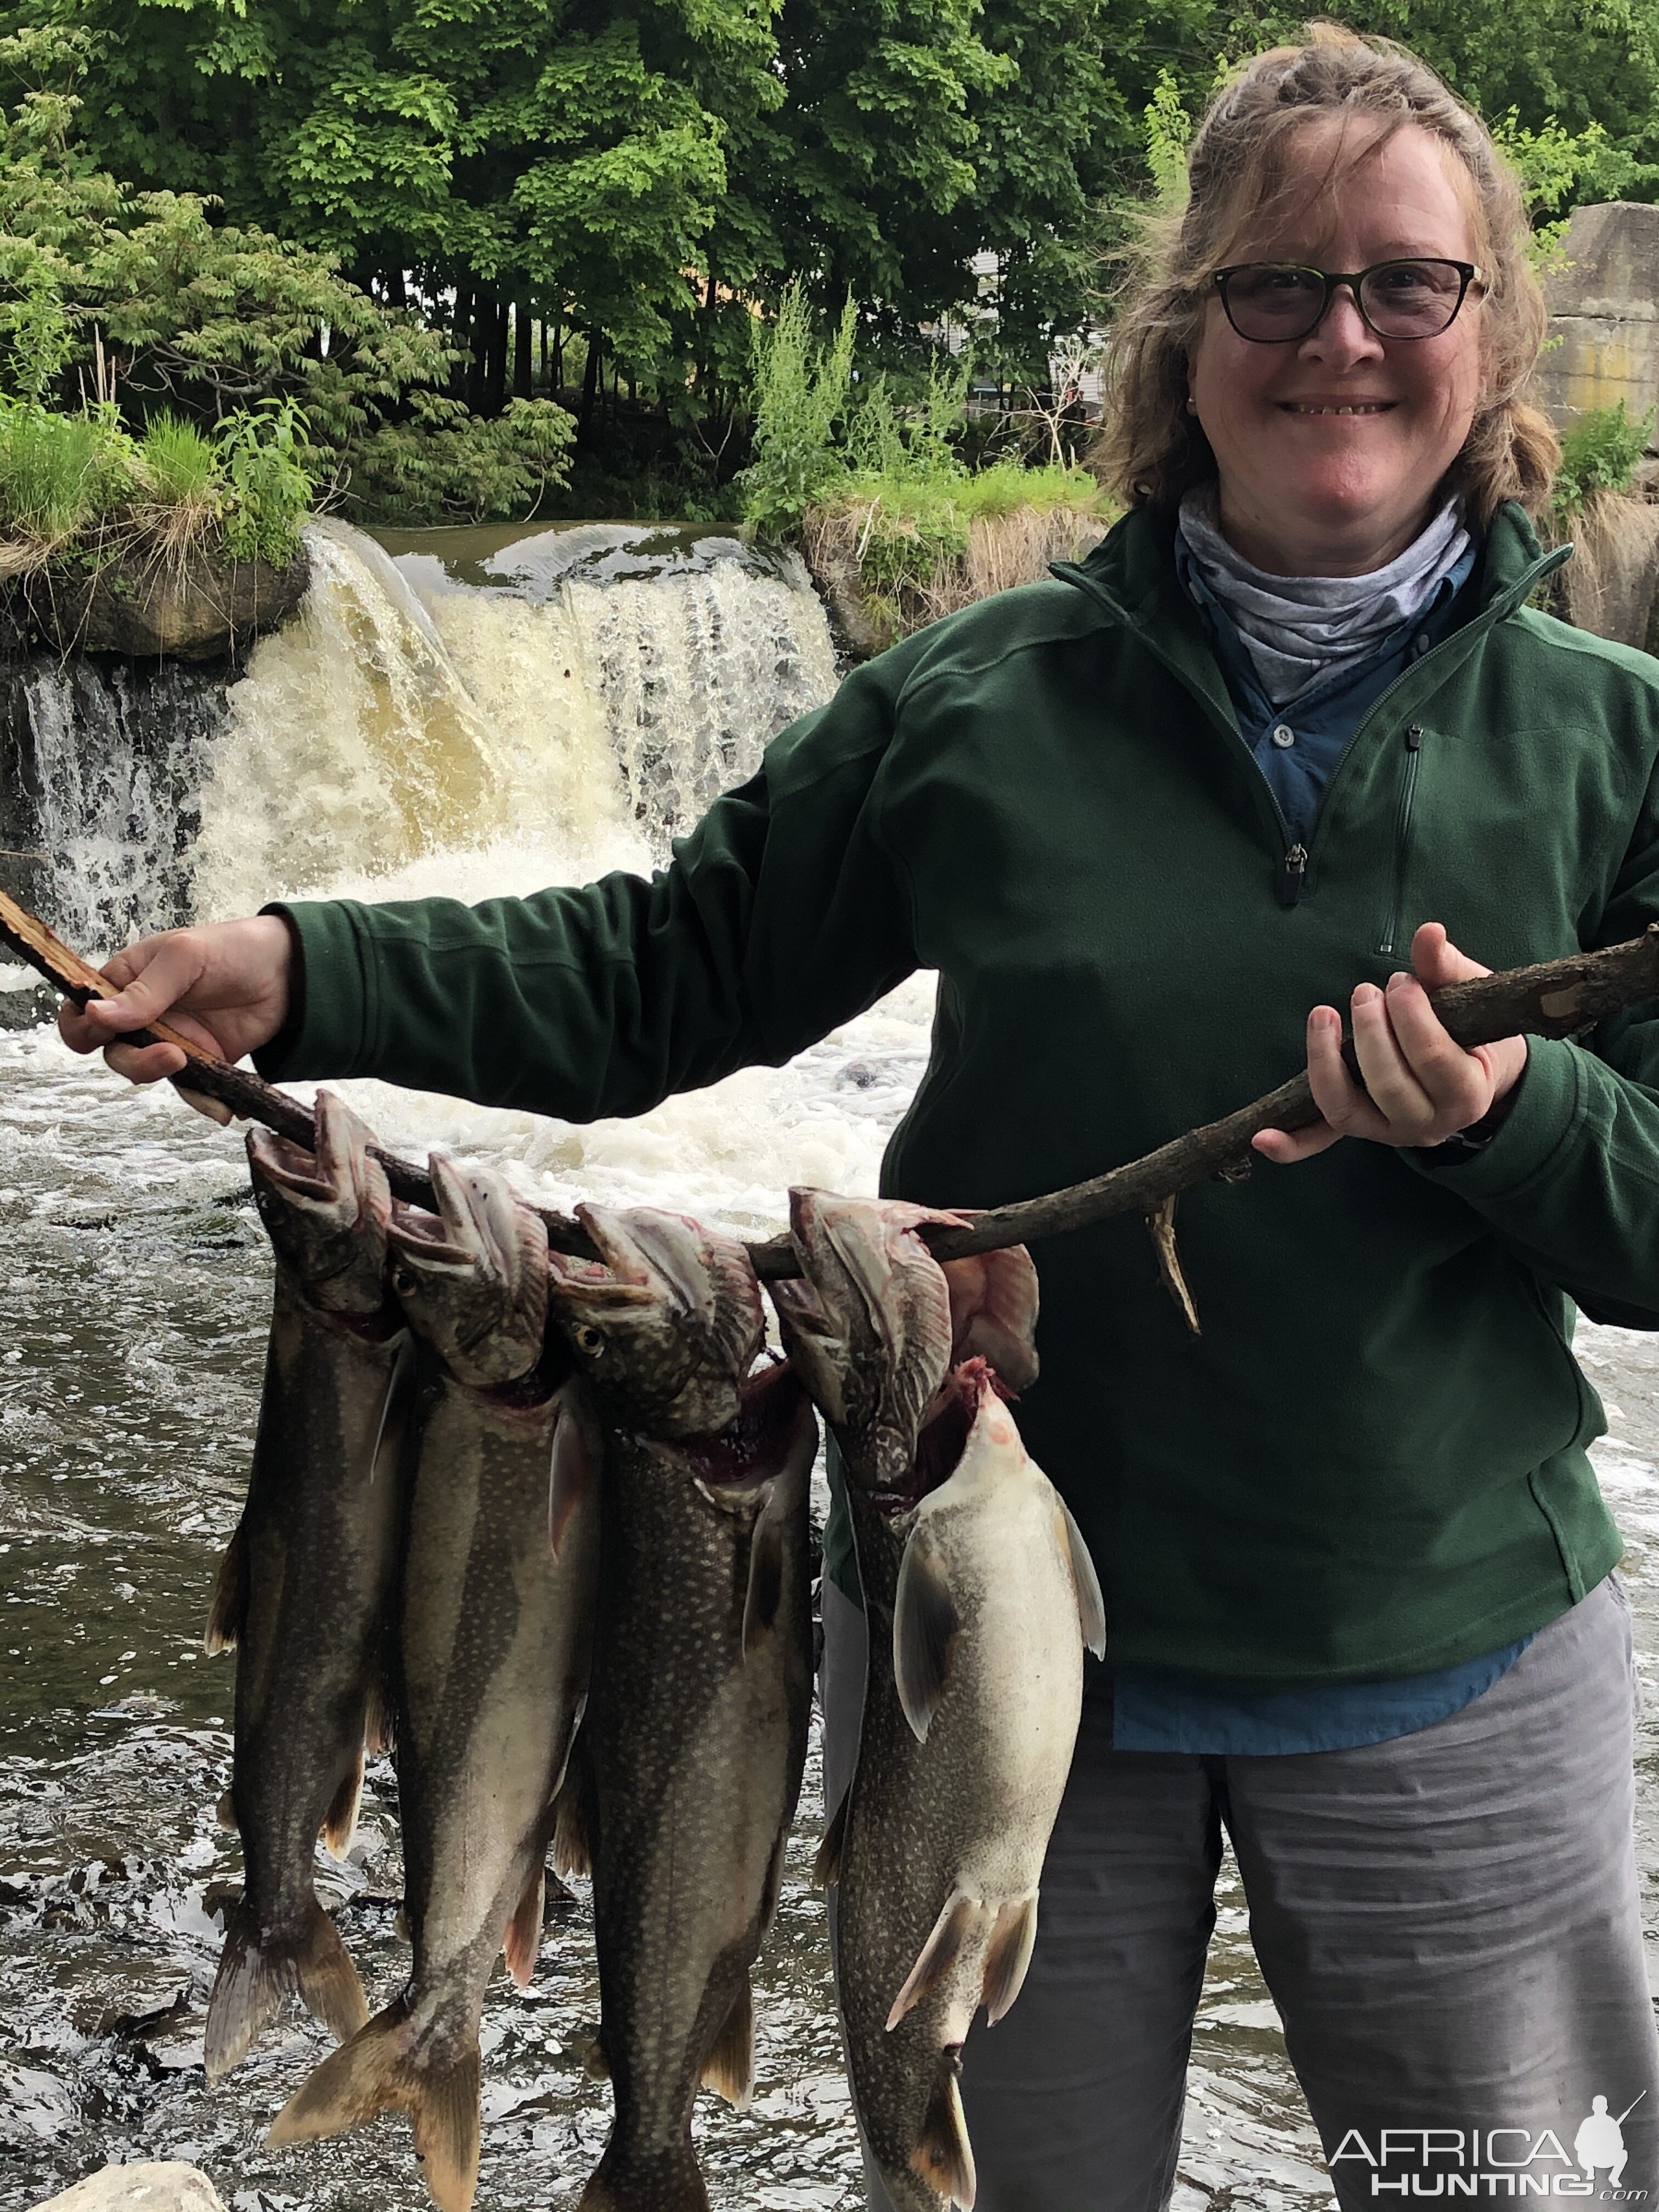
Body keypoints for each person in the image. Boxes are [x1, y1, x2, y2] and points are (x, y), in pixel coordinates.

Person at [59, 25, 1659, 2210]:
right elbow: (662, 966)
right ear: (1186, 328)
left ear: (1486, 331)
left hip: (1449, 1667)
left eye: (1410, 285)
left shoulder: (1614, 741)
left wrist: (1510, 1110)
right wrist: (309, 966)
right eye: (1278, 285)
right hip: (967, 1653)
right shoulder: (979, 706)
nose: (1343, 339)